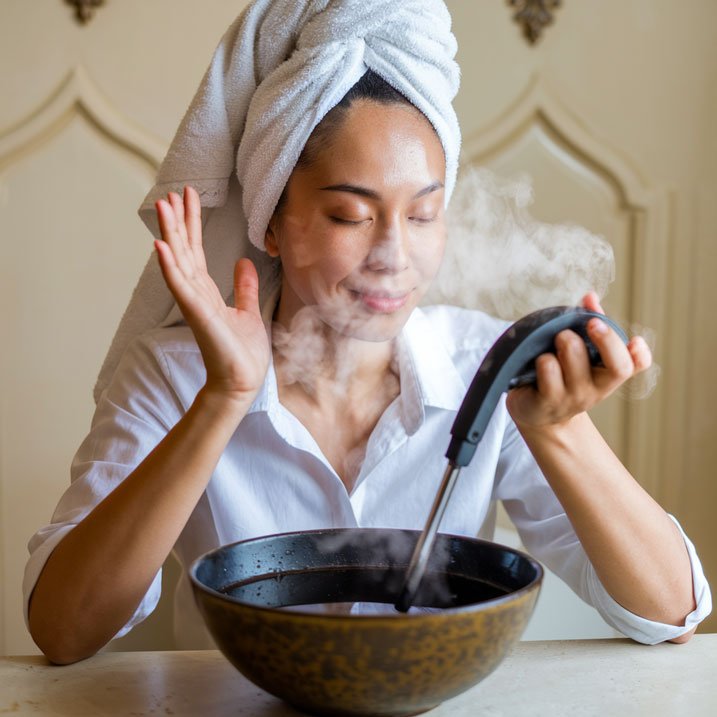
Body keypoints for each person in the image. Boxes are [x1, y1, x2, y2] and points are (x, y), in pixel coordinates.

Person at [24, 0, 710, 664]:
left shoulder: (485, 367)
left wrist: (558, 431)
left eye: (421, 215)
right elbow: (63, 630)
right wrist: (223, 398)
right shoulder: (175, 372)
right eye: (351, 216)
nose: (393, 254)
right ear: (269, 220)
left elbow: (670, 613)